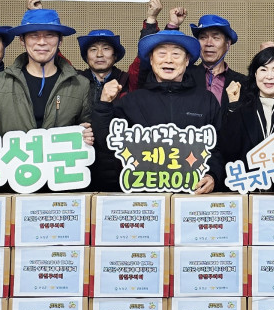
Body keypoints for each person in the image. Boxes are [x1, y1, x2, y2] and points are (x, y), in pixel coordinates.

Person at [91, 30, 221, 194]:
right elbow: (107, 142)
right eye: (161, 54)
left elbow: (218, 147)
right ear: (151, 60)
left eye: (176, 54)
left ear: (187, 60)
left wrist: (213, 175)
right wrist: (104, 104)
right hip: (144, 197)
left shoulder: (206, 100)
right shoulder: (131, 101)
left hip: (193, 194)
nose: (168, 60)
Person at [0, 9, 93, 147]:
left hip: (60, 160)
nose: (42, 42)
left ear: (60, 41)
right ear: (22, 40)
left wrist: (85, 134)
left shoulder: (80, 84)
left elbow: (88, 127)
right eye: (34, 35)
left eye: (49, 35)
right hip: (15, 159)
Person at [218, 46, 274, 184]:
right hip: (246, 188)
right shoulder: (240, 108)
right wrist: (233, 106)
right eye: (263, 70)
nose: (269, 76)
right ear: (255, 74)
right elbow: (228, 150)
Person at [79, 28, 130, 192]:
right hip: (82, 166)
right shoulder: (75, 81)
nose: (99, 54)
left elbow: (144, 62)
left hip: (119, 166)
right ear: (86, 56)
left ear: (115, 56)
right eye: (93, 49)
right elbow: (51, 56)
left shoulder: (128, 80)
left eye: (106, 49)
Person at [191, 14, 247, 107]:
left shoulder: (243, 82)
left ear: (227, 44)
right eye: (203, 38)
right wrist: (173, 26)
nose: (209, 43)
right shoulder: (186, 76)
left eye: (216, 38)